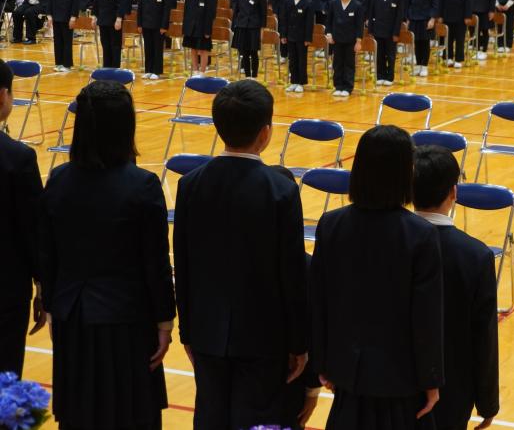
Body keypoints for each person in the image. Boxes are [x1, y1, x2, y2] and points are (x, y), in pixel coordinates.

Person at [39, 80, 175, 429]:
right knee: (129, 415)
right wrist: (165, 320)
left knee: (80, 415)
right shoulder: (143, 185)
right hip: (126, 321)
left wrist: (52, 307)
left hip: (73, 316)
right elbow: (156, 263)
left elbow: (48, 254)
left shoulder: (58, 179)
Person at [174, 80, 308, 430]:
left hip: (206, 330)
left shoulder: (190, 184)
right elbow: (291, 272)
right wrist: (299, 342)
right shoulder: (281, 190)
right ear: (265, 132)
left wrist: (187, 331)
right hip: (264, 336)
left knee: (210, 418)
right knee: (258, 420)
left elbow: (182, 265)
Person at [311, 125, 444, 430]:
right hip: (399, 379)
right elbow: (425, 317)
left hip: (347, 372)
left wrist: (322, 361)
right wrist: (431, 379)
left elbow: (318, 301)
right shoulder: (421, 235)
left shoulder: (331, 224)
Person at [412, 145, 499, 430]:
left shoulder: (389, 244)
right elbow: (483, 337)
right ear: (453, 192)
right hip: (452, 388)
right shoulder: (476, 256)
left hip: (391, 380)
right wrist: (488, 402)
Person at [0, 60, 45, 376]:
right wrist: (43, 284)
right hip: (5, 288)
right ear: (3, 95)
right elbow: (33, 230)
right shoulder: (17, 158)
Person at [325, 0, 364, 97]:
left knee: (349, 64)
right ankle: (338, 86)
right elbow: (329, 21)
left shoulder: (357, 6)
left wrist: (358, 41)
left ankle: (348, 87)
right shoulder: (333, 3)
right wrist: (329, 34)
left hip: (351, 40)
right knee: (337, 63)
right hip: (336, 39)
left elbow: (359, 25)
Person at [369, 0, 405, 86]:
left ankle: (390, 77)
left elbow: (399, 17)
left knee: (390, 55)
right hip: (378, 29)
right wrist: (370, 30)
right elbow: (371, 13)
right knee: (379, 54)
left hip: (391, 32)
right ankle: (380, 75)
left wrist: (396, 33)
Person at [280, 0, 314, 93]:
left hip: (302, 37)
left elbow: (309, 23)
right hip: (290, 35)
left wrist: (308, 38)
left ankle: (301, 82)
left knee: (301, 60)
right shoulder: (288, 1)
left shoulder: (308, 3)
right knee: (292, 59)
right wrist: (283, 35)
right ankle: (293, 81)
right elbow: (284, 19)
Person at [231, 0, 268, 79]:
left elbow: (263, 14)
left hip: (254, 27)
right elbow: (236, 10)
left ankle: (254, 76)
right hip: (242, 25)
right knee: (244, 53)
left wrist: (262, 30)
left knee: (253, 52)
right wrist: (234, 26)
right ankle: (247, 76)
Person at [137, 0, 172, 80]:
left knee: (157, 48)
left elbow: (166, 10)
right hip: (145, 23)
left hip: (158, 25)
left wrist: (164, 26)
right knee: (148, 47)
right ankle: (148, 70)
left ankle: (157, 71)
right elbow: (140, 8)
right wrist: (139, 24)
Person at [47, 0, 81, 73]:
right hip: (56, 17)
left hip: (67, 18)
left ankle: (67, 64)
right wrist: (49, 16)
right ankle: (58, 63)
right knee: (57, 41)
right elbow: (50, 1)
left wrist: (73, 17)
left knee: (67, 41)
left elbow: (76, 3)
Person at [93, 0, 127, 68]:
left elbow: (121, 4)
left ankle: (115, 68)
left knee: (115, 46)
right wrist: (94, 16)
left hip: (114, 21)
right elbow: (96, 2)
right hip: (103, 20)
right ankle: (106, 67)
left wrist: (119, 19)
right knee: (105, 45)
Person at [439, 0, 473, 69]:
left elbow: (469, 1)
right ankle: (448, 57)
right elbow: (441, 0)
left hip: (461, 17)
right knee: (448, 38)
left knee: (459, 38)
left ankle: (459, 59)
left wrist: (468, 16)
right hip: (447, 15)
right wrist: (440, 15)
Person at [183, 0, 216, 78]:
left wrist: (208, 31)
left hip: (203, 28)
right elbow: (186, 12)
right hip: (191, 27)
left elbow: (210, 15)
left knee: (203, 50)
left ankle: (202, 72)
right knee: (193, 49)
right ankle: (195, 71)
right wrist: (185, 29)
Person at [408, 0, 439, 77]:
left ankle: (424, 66)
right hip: (414, 19)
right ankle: (418, 66)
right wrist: (408, 18)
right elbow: (408, 3)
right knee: (416, 43)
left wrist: (432, 19)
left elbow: (435, 5)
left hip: (426, 20)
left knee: (425, 43)